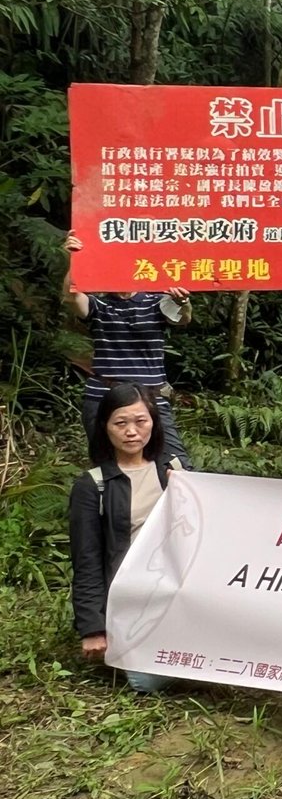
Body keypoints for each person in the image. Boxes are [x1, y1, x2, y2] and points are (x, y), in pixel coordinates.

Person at [69, 384, 186, 694]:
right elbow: (87, 561)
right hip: (129, 598)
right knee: (146, 681)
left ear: (154, 423)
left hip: (175, 591)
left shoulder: (174, 473)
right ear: (105, 427)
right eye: (121, 423)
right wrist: (93, 629)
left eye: (141, 421)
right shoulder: (93, 486)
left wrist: (186, 489)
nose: (132, 432)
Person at [61, 232, 192, 466]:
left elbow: (182, 318)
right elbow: (72, 298)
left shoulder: (156, 300)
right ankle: (114, 504)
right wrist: (76, 258)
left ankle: (165, 504)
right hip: (103, 396)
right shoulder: (99, 304)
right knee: (109, 467)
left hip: (151, 397)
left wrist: (184, 303)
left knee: (176, 466)